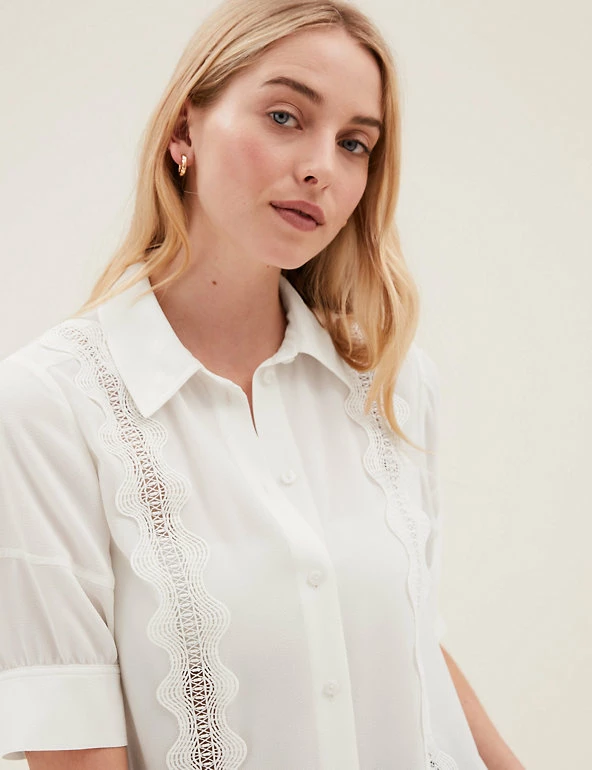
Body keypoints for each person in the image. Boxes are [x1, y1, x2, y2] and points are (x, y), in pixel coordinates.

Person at [0, 1, 525, 768]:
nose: (322, 167)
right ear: (184, 130)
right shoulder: (48, 408)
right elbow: (72, 744)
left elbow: (414, 652)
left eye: (354, 143)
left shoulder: (393, 383)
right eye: (285, 117)